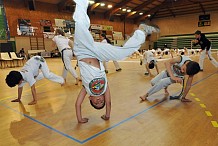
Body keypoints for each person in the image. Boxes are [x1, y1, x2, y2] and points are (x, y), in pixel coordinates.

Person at [73, 0, 158, 123]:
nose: (99, 101)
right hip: (97, 53)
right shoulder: (105, 88)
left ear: (90, 99)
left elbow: (77, 104)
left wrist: (80, 119)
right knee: (122, 54)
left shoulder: (86, 89)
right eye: (101, 102)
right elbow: (109, 102)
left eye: (96, 102)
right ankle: (141, 31)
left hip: (83, 51)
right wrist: (107, 116)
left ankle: (82, 1)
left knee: (81, 26)